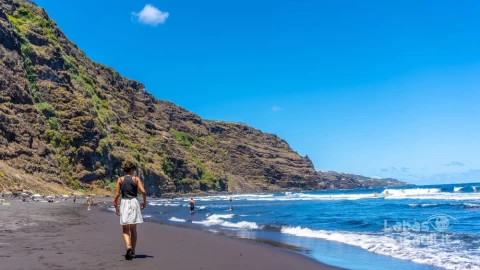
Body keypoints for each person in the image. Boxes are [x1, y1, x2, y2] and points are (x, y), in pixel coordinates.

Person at [114, 161, 146, 260]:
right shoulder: (136, 179)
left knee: (125, 229)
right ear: (132, 169)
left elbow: (117, 194)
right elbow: (143, 191)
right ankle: (133, 252)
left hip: (124, 202)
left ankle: (128, 246)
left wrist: (115, 205)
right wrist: (144, 202)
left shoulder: (120, 179)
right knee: (133, 229)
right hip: (133, 202)